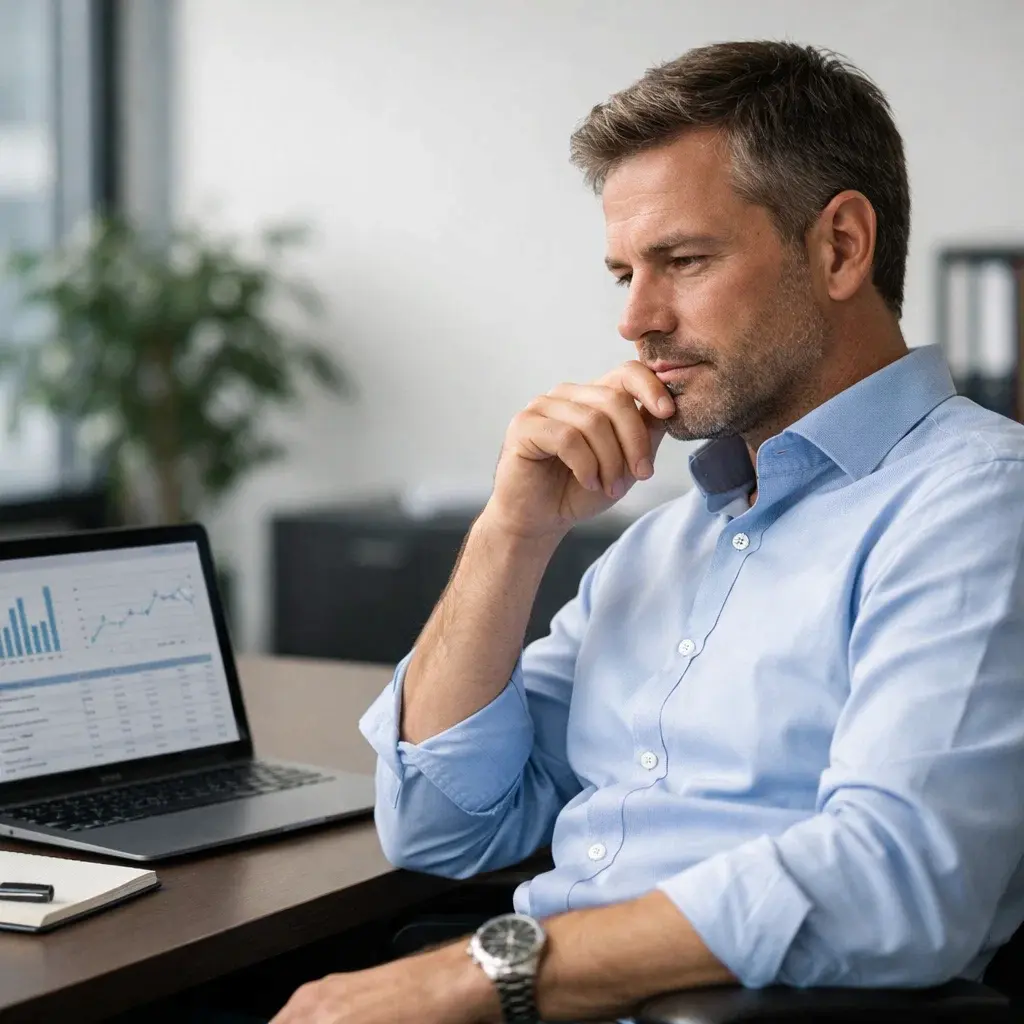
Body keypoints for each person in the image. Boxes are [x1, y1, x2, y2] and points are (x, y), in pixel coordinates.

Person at [270, 39, 1024, 1024]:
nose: (635, 319)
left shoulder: (976, 503)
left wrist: (474, 976)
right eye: (624, 272)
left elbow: (897, 878)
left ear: (840, 247)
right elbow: (442, 823)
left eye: (683, 261)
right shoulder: (664, 544)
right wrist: (511, 530)